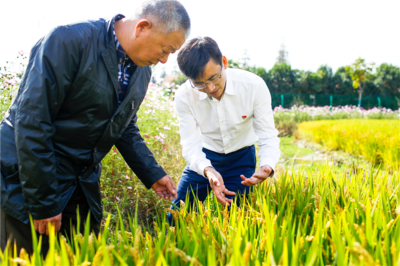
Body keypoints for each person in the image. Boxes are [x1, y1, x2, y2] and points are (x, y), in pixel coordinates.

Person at [0, 0, 190, 256]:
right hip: (29, 179)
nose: (165, 60)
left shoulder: (142, 71)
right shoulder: (69, 40)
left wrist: (152, 173)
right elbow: (32, 121)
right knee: (29, 256)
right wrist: (43, 203)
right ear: (142, 27)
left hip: (80, 181)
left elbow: (124, 127)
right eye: (166, 49)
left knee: (81, 256)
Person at [168, 37, 280, 223]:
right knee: (177, 216)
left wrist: (267, 165)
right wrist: (208, 170)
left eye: (214, 78)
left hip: (241, 157)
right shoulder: (184, 95)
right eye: (200, 84)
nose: (210, 88)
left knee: (238, 220)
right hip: (204, 157)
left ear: (224, 63)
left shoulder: (253, 86)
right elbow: (190, 144)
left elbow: (267, 134)